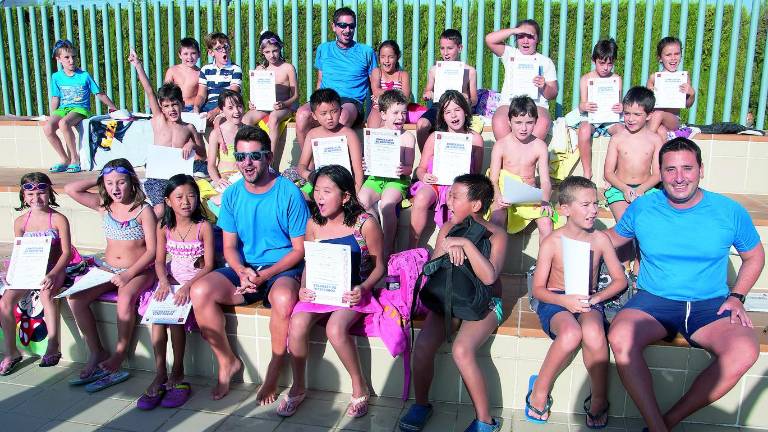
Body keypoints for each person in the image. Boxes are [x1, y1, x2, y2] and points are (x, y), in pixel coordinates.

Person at [606, 138, 764, 432]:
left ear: (701, 170)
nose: (679, 178)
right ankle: (657, 427)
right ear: (660, 173)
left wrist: (738, 295)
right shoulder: (643, 207)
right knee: (621, 337)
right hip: (654, 301)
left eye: (687, 168)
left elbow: (754, 256)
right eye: (671, 170)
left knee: (745, 350)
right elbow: (611, 240)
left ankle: (669, 421)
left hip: (710, 305)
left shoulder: (728, 210)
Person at [189, 126, 309, 402]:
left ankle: (275, 367)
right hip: (246, 267)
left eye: (254, 156)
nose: (247, 163)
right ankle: (226, 361)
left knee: (281, 298)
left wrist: (265, 274)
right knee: (199, 291)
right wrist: (242, 270)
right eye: (241, 157)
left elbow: (299, 250)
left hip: (282, 268)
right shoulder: (232, 195)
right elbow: (229, 247)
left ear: (268, 158)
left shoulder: (288, 193)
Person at [399, 174, 507, 432]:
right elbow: (431, 268)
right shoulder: (447, 228)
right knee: (423, 346)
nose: (449, 200)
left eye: (456, 197)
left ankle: (485, 420)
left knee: (462, 350)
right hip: (451, 296)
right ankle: (422, 404)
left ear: (476, 205)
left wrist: (467, 245)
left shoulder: (497, 235)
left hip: (484, 302)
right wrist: (447, 246)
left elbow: (490, 276)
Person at [279, 165, 386, 418]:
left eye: (327, 191)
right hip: (321, 290)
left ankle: (360, 387)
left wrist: (363, 288)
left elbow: (380, 265)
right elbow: (309, 261)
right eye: (316, 191)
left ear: (346, 196)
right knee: (297, 323)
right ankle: (298, 386)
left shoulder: (365, 223)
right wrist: (304, 287)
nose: (319, 197)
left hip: (353, 292)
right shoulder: (314, 223)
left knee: (335, 328)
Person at [527, 176, 627, 428]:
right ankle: (539, 388)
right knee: (570, 334)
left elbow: (619, 281)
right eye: (586, 205)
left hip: (588, 298)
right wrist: (566, 302)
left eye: (595, 204)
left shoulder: (600, 239)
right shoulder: (552, 242)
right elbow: (538, 289)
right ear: (565, 209)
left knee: (594, 331)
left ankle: (599, 398)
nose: (594, 210)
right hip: (555, 299)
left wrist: (595, 298)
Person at [64, 159, 157, 388]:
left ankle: (119, 352)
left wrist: (129, 274)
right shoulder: (103, 206)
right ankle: (96, 351)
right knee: (75, 298)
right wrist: (100, 180)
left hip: (140, 269)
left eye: (121, 182)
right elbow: (70, 189)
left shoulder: (143, 210)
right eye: (109, 183)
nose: (115, 188)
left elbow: (153, 251)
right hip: (109, 269)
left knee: (125, 298)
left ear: (132, 182)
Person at [136, 175, 214, 410]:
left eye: (191, 196)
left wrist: (188, 286)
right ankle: (160, 371)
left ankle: (177, 371)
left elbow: (209, 264)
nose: (186, 202)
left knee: (174, 320)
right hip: (169, 281)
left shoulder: (203, 227)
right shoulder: (164, 227)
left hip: (195, 283)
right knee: (158, 318)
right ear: (168, 201)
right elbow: (160, 262)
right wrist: (162, 282)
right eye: (179, 197)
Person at [0, 173, 73, 374]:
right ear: (23, 196)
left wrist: (53, 273)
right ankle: (11, 352)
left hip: (54, 267)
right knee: (5, 302)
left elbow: (66, 253)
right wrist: (11, 271)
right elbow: (19, 251)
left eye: (41, 193)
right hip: (29, 268)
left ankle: (52, 344)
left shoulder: (58, 219)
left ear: (49, 193)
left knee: (46, 294)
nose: (36, 198)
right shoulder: (21, 222)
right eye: (30, 194)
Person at [128, 49, 205, 220]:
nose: (172, 109)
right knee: (161, 210)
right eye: (167, 106)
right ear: (162, 108)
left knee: (187, 209)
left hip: (178, 179)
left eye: (175, 104)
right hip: (157, 177)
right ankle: (148, 238)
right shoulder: (159, 121)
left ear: (182, 104)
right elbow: (149, 91)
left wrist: (192, 144)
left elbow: (203, 154)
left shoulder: (189, 128)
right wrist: (138, 66)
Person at [409, 90, 484, 248]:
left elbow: (476, 174)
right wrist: (424, 177)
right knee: (422, 197)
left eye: (457, 110)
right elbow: (420, 169)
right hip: (435, 182)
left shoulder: (475, 139)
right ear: (442, 116)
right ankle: (412, 247)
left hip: (458, 185)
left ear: (465, 111)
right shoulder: (435, 137)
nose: (454, 116)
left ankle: (446, 250)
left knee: (457, 201)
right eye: (448, 112)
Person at [294, 7, 377, 150]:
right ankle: (310, 165)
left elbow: (374, 85)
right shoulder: (323, 49)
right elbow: (320, 80)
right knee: (301, 115)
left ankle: (333, 167)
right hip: (324, 97)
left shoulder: (366, 52)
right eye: (342, 25)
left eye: (351, 26)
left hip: (351, 102)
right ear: (334, 26)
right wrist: (314, 102)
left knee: (341, 117)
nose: (347, 30)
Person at [488, 95, 560, 241]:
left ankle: (542, 264)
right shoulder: (501, 145)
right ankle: (493, 262)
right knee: (497, 218)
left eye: (529, 122)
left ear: (535, 123)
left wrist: (545, 200)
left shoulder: (539, 146)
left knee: (546, 221)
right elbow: (493, 179)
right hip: (505, 195)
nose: (523, 128)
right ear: (509, 122)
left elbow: (545, 181)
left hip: (529, 197)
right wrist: (498, 197)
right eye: (518, 122)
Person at [358, 89, 415, 259]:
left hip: (397, 180)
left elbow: (409, 168)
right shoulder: (373, 135)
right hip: (376, 178)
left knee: (387, 204)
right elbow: (367, 161)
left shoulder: (408, 137)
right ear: (383, 114)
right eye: (395, 113)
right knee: (362, 201)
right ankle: (376, 238)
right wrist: (364, 163)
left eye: (403, 113)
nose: (400, 117)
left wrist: (402, 169)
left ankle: (388, 247)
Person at [45, 39, 117, 174]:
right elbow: (56, 98)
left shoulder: (84, 75)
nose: (71, 60)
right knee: (48, 128)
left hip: (80, 108)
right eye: (67, 57)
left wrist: (113, 107)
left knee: (64, 123)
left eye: (73, 57)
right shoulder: (56, 77)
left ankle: (75, 159)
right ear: (58, 59)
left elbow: (99, 93)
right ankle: (64, 159)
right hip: (63, 109)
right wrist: (52, 115)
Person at [485, 19, 558, 141]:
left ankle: (530, 156)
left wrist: (544, 86)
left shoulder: (546, 62)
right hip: (509, 102)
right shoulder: (510, 53)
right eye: (521, 36)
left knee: (543, 121)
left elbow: (553, 93)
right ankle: (508, 156)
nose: (525, 41)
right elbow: (489, 39)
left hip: (537, 104)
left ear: (538, 39)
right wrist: (515, 30)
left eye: (530, 37)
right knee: (498, 120)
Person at [603, 86, 663, 223]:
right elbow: (608, 172)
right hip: (619, 189)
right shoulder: (617, 138)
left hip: (646, 189)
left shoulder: (655, 140)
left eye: (637, 114)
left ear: (649, 115)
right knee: (626, 222)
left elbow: (657, 174)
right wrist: (625, 189)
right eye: (627, 113)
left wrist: (641, 190)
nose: (630, 119)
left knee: (647, 223)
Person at [242, 31, 298, 168]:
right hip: (264, 107)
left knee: (273, 118)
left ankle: (269, 161)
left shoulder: (288, 68)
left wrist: (284, 103)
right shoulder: (260, 70)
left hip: (283, 107)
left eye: (275, 51)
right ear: (262, 52)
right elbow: (254, 94)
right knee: (246, 119)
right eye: (267, 52)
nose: (272, 55)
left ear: (280, 48)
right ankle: (247, 156)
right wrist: (252, 102)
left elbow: (296, 96)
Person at [416, 29, 478, 151]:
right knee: (421, 124)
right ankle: (426, 158)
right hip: (438, 107)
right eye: (442, 48)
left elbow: (474, 98)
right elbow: (426, 92)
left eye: (449, 48)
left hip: (459, 108)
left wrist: (467, 100)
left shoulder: (469, 71)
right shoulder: (434, 70)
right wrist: (428, 94)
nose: (445, 53)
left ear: (460, 48)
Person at [293, 88, 364, 194]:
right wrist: (310, 175)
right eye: (323, 113)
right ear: (314, 116)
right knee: (299, 198)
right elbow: (301, 166)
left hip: (343, 184)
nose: (329, 117)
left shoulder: (349, 134)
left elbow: (358, 170)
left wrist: (356, 192)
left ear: (340, 111)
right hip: (319, 183)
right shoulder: (312, 135)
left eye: (334, 111)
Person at [576, 39, 623, 179]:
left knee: (622, 132)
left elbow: (618, 104)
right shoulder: (586, 79)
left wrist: (620, 107)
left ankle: (611, 173)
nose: (605, 68)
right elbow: (582, 105)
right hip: (592, 118)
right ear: (594, 60)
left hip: (609, 119)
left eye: (610, 64)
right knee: (584, 130)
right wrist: (584, 106)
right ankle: (587, 171)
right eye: (602, 63)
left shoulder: (616, 79)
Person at [197, 89, 245, 217]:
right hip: (224, 178)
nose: (236, 111)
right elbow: (211, 165)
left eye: (239, 106)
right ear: (222, 110)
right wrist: (217, 180)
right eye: (230, 108)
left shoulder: (248, 131)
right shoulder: (217, 133)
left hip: (243, 176)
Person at [646, 36, 695, 141]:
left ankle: (644, 143)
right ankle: (659, 157)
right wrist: (651, 94)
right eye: (668, 55)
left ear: (681, 56)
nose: (673, 58)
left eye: (677, 54)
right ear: (660, 58)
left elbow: (687, 105)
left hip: (673, 119)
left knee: (659, 114)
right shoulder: (654, 78)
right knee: (661, 131)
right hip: (655, 121)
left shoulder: (683, 77)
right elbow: (647, 105)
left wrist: (691, 94)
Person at [194, 32, 243, 121]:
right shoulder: (205, 69)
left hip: (227, 107)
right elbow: (201, 95)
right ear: (211, 52)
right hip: (209, 106)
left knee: (218, 122)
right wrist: (196, 108)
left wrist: (216, 111)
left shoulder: (235, 69)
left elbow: (232, 95)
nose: (224, 51)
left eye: (226, 47)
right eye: (219, 48)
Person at [366, 40, 411, 128]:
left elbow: (405, 96)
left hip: (397, 110)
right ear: (379, 57)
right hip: (378, 107)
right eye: (383, 57)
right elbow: (376, 91)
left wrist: (382, 95)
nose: (386, 61)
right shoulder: (377, 72)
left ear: (397, 57)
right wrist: (397, 93)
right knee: (373, 128)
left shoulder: (403, 75)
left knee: (390, 124)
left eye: (391, 57)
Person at [164, 37, 203, 111]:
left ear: (199, 54)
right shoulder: (172, 71)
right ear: (180, 55)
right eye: (185, 54)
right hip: (173, 107)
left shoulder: (200, 73)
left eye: (193, 53)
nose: (189, 57)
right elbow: (166, 92)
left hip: (192, 107)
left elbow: (201, 95)